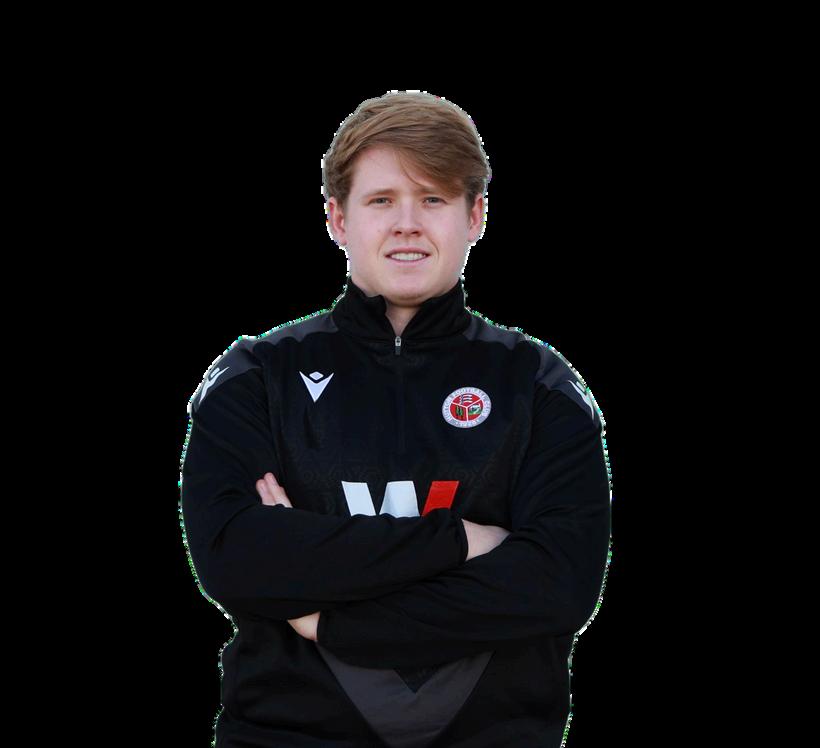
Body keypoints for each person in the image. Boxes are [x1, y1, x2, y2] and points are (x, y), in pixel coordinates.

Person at [180, 90, 612, 748]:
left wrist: (328, 620)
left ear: (476, 215)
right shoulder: (256, 377)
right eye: (382, 200)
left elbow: (558, 588)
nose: (407, 223)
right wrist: (460, 541)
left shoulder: (542, 385)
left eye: (432, 198)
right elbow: (234, 561)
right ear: (337, 218)